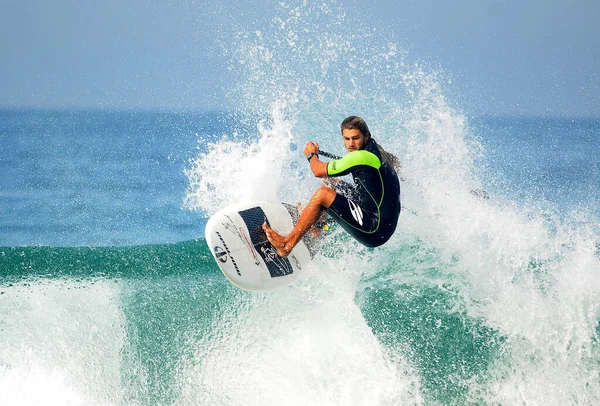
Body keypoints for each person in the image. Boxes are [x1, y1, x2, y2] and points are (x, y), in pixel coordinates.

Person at [263, 116, 401, 257]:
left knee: (323, 195)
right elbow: (395, 161)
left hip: (375, 230)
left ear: (366, 136)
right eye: (347, 139)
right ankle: (317, 226)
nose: (351, 144)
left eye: (355, 138)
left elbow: (318, 170)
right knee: (331, 181)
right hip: (383, 218)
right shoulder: (377, 149)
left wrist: (311, 155)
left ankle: (286, 246)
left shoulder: (360, 157)